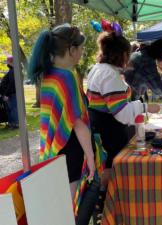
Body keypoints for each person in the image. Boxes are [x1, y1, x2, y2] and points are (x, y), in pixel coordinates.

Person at [85, 31, 160, 224]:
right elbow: (122, 113)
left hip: (101, 125)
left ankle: (103, 205)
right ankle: (107, 207)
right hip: (109, 128)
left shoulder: (99, 68)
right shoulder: (110, 75)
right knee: (110, 167)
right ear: (121, 54)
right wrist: (145, 106)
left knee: (107, 166)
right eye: (128, 53)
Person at [27, 23, 95, 199]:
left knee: (58, 204)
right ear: (72, 49)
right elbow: (78, 124)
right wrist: (91, 158)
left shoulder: (48, 74)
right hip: (70, 149)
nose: (82, 52)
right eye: (81, 48)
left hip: (55, 150)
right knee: (68, 209)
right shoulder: (66, 77)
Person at [0, 56, 19, 128]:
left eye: (7, 61)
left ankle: (15, 124)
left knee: (13, 109)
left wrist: (6, 95)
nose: (6, 62)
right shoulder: (11, 70)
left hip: (10, 94)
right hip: (8, 94)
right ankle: (11, 123)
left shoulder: (13, 71)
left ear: (10, 61)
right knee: (10, 109)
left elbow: (12, 84)